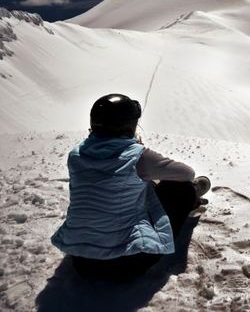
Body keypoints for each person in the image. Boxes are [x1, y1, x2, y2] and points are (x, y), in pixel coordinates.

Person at [51, 93, 211, 280]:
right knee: (180, 189)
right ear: (129, 126)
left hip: (81, 262)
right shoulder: (137, 156)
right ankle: (191, 196)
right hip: (126, 264)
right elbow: (187, 173)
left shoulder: (76, 155)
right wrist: (140, 152)